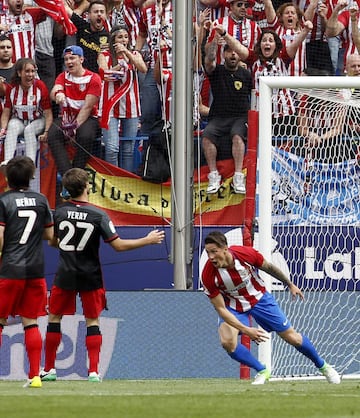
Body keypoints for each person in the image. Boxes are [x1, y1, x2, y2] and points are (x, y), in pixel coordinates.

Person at [40, 167, 165, 382]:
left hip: (65, 273)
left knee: (54, 318)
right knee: (92, 321)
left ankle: (50, 369)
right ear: (87, 186)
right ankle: (94, 372)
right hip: (91, 275)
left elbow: (52, 241)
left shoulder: (58, 213)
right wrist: (147, 240)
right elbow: (118, 246)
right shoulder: (98, 215)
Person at [201, 231, 341, 385]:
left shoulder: (244, 254)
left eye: (214, 252)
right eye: (208, 252)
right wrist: (247, 330)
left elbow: (268, 267)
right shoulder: (208, 275)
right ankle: (262, 370)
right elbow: (221, 309)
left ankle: (323, 367)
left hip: (260, 299)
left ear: (225, 248)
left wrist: (289, 284)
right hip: (233, 307)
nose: (211, 257)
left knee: (292, 338)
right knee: (227, 342)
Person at [0, 156, 54, 388]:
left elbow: (0, 237)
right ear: (32, 177)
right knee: (30, 323)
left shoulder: (3, 201)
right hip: (35, 270)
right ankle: (34, 376)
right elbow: (50, 236)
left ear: (6, 178)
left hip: (10, 268)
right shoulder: (41, 200)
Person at [202, 27, 252, 194]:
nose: (232, 55)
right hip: (219, 117)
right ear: (223, 55)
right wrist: (215, 40)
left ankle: (238, 176)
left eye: (235, 52)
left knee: (238, 137)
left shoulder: (246, 74)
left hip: (240, 117)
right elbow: (208, 60)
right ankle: (214, 175)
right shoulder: (217, 72)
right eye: (228, 52)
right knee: (207, 135)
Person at [47, 45, 101, 178]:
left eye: (72, 58)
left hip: (88, 117)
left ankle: (77, 173)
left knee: (85, 135)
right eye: (66, 59)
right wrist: (58, 94)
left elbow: (88, 107)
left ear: (81, 59)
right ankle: (68, 176)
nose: (69, 62)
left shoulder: (94, 78)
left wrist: (73, 128)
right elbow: (54, 92)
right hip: (67, 116)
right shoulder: (63, 76)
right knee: (53, 134)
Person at [98, 25, 147, 171]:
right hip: (110, 106)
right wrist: (120, 66)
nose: (123, 40)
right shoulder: (104, 55)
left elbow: (143, 69)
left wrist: (127, 53)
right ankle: (114, 179)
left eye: (126, 37)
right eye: (120, 37)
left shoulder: (134, 54)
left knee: (128, 149)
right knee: (112, 148)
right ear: (113, 39)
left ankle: (126, 181)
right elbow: (104, 73)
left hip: (131, 106)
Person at [0, 58, 53, 164]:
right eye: (27, 71)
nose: (30, 75)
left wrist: (46, 131)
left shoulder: (40, 86)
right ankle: (7, 162)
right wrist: (2, 129)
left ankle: (30, 164)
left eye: (33, 71)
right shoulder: (12, 88)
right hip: (19, 119)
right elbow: (6, 112)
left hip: (37, 120)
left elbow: (48, 113)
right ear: (19, 73)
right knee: (12, 126)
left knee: (29, 130)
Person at [64, 0, 110, 73]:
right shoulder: (82, 25)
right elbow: (66, 9)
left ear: (106, 15)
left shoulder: (109, 36)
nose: (99, 14)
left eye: (102, 12)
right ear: (89, 15)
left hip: (98, 77)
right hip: (81, 73)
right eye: (96, 11)